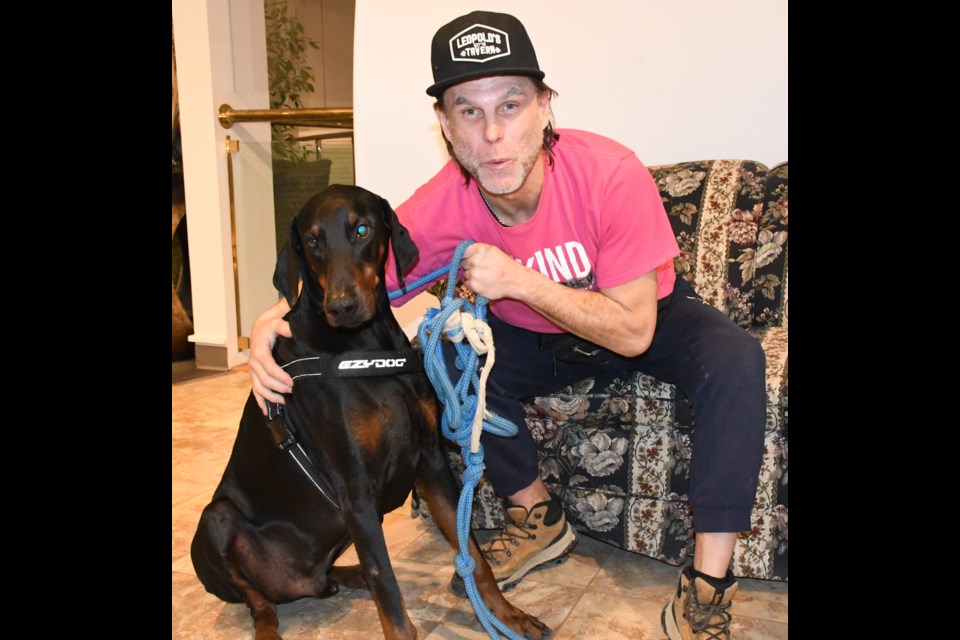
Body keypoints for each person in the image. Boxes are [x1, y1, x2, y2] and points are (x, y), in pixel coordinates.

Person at [248, 10, 766, 639]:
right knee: (441, 360)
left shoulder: (610, 172)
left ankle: (708, 582)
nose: (493, 134)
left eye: (511, 104)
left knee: (736, 358)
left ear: (545, 107)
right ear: (445, 124)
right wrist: (266, 327)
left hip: (638, 313)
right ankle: (538, 517)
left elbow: (634, 332)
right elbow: (351, 281)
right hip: (531, 335)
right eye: (468, 110)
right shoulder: (442, 204)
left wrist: (518, 279)